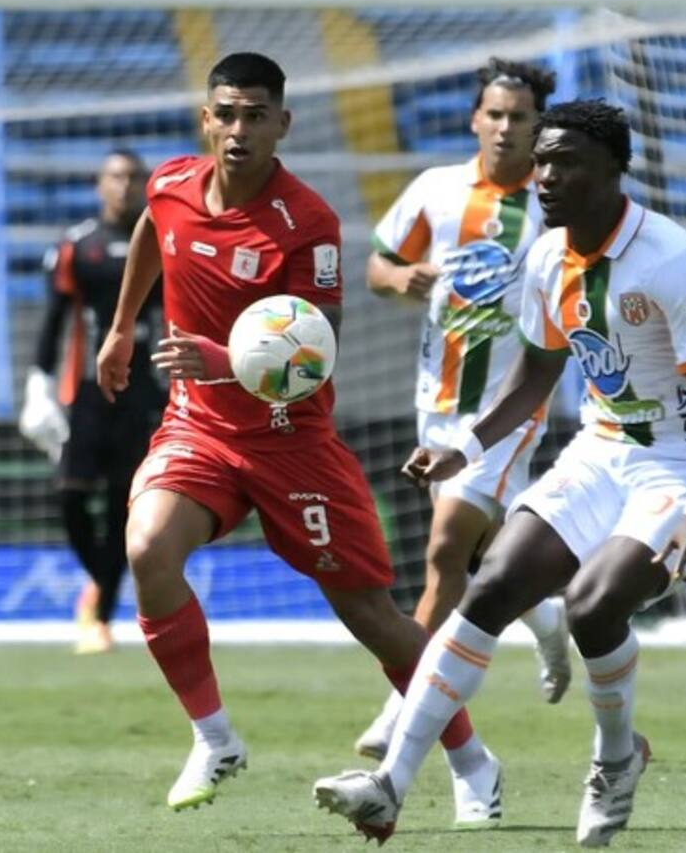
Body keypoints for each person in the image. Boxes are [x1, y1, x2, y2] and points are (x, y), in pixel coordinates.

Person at [314, 100, 686, 847]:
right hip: (602, 447)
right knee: (491, 582)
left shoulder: (673, 259)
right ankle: (389, 783)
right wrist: (467, 444)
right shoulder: (547, 256)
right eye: (544, 159)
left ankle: (616, 760)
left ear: (614, 171)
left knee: (593, 606)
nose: (546, 174)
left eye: (566, 162)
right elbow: (534, 373)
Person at [95, 52, 500, 827]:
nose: (239, 130)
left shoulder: (304, 222)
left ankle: (471, 758)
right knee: (147, 548)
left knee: (375, 619)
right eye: (227, 114)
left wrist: (223, 356)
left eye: (256, 116)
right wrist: (121, 330)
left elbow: (321, 350)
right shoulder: (172, 184)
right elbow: (154, 228)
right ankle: (214, 737)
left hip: (291, 443)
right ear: (205, 119)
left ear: (283, 124)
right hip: (199, 428)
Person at [355, 57, 572, 761]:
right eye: (496, 115)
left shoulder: (554, 203)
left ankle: (400, 707)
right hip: (437, 399)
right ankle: (546, 617)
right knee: (487, 550)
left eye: (520, 118)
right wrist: (401, 277)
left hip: (511, 405)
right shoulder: (437, 189)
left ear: (540, 128)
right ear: (475, 119)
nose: (506, 128)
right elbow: (377, 266)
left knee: (446, 546)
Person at [18, 149, 164, 655]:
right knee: (71, 496)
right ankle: (101, 586)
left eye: (133, 177)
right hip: (83, 391)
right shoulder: (77, 247)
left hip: (142, 391)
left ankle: (100, 617)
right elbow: (54, 320)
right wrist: (38, 382)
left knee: (128, 505)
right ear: (100, 184)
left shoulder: (162, 242)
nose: (125, 186)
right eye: (116, 177)